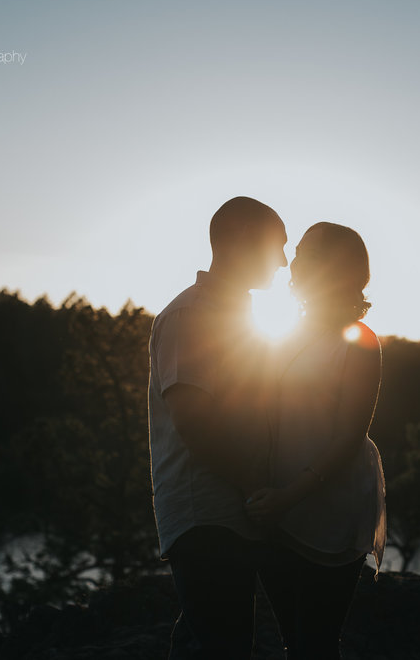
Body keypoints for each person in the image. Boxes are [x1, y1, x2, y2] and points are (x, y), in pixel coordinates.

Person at [147, 196, 288, 659]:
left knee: (210, 643)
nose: (284, 262)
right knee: (223, 647)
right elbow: (195, 423)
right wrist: (252, 485)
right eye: (278, 247)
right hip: (206, 515)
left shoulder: (238, 316)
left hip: (231, 513)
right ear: (245, 238)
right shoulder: (193, 316)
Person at [245, 222, 387, 660]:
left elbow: (349, 436)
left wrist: (290, 495)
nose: (293, 261)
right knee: (293, 639)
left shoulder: (360, 342)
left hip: (330, 507)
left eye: (304, 252)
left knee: (316, 644)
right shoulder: (281, 332)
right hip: (277, 506)